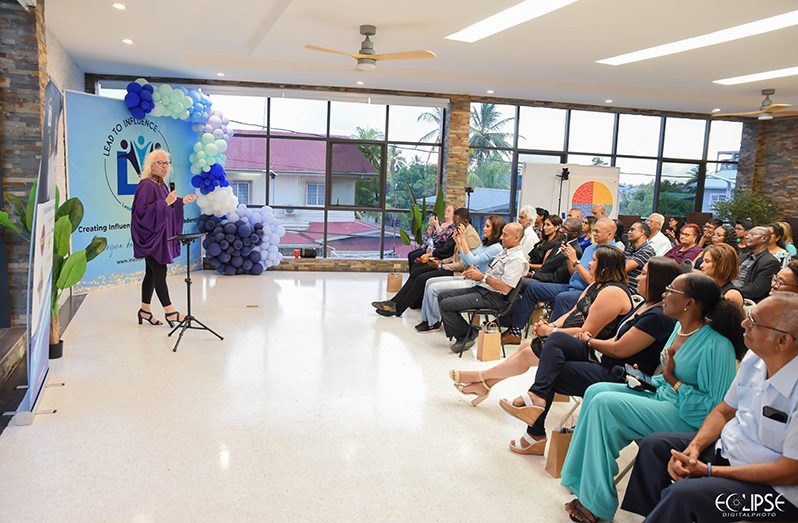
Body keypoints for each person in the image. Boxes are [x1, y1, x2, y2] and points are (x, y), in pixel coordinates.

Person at [559, 273, 746, 523]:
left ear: (689, 303)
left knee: (605, 405)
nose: (664, 294)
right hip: (664, 397)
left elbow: (715, 407)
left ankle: (597, 504)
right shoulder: (680, 328)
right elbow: (665, 376)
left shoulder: (717, 345)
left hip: (688, 418)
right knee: (595, 392)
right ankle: (583, 483)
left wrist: (673, 381)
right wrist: (645, 378)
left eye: (671, 290)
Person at [621, 293, 798, 523]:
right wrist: (693, 449)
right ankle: (657, 516)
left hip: (776, 496)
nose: (744, 323)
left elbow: (790, 471)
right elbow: (724, 411)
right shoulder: (755, 359)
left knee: (684, 496)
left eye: (753, 322)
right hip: (727, 453)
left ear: (782, 340)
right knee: (654, 447)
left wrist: (708, 471)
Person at [492, 257, 682, 455]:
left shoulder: (657, 316)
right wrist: (555, 328)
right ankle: (536, 399)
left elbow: (619, 349)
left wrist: (589, 341)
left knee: (553, 370)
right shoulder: (645, 303)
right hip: (605, 357)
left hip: (620, 373)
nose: (639, 278)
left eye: (644, 275)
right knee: (555, 342)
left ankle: (535, 432)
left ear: (657, 281)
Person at [450, 245, 634, 409]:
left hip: (593, 350)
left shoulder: (613, 293)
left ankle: (481, 377)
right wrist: (551, 324)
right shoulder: (596, 285)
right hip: (573, 340)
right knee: (525, 346)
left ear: (604, 267)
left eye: (593, 260)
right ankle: (485, 384)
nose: (588, 264)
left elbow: (587, 332)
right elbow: (572, 313)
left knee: (530, 351)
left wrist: (552, 332)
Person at [500, 218, 617, 344]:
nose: (594, 234)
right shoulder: (591, 248)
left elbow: (592, 281)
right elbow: (575, 273)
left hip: (587, 292)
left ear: (609, 234)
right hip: (571, 286)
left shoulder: (611, 254)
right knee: (533, 288)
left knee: (562, 297)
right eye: (594, 230)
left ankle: (549, 339)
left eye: (597, 231)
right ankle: (515, 331)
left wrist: (575, 261)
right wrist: (569, 259)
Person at [438, 223, 527, 353]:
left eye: (505, 235)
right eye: (502, 233)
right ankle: (467, 332)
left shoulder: (517, 259)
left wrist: (482, 277)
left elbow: (505, 287)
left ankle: (466, 335)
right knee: (442, 296)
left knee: (446, 304)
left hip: (494, 298)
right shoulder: (505, 252)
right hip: (483, 289)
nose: (501, 237)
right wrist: (477, 273)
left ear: (516, 238)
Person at [131, 149, 197, 327]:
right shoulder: (146, 185)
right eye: (160, 163)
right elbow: (141, 213)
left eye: (167, 163)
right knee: (160, 272)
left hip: (159, 236)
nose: (165, 166)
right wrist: (166, 202)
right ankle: (170, 312)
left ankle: (145, 311)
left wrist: (181, 202)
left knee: (151, 273)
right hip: (151, 237)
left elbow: (167, 206)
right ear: (151, 165)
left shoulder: (160, 184)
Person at [373, 208, 479, 317]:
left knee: (422, 278)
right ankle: (394, 302)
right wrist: (440, 262)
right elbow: (454, 256)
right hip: (450, 266)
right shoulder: (460, 231)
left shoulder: (471, 237)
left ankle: (398, 308)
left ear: (466, 222)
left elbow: (463, 265)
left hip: (459, 272)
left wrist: (442, 266)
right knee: (417, 271)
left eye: (457, 222)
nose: (454, 225)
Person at [414, 215, 505, 332]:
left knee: (433, 288)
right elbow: (468, 260)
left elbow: (473, 260)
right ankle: (427, 320)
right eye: (485, 225)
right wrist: (459, 241)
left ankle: (434, 322)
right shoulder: (485, 244)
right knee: (429, 282)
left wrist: (462, 239)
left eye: (487, 226)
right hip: (468, 277)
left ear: (496, 230)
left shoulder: (496, 248)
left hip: (476, 283)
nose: (484, 228)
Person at [734, 226, 781, 303]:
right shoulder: (742, 257)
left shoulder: (770, 262)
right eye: (747, 234)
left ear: (764, 238)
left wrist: (730, 290)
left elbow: (757, 289)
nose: (747, 237)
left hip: (747, 301)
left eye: (752, 235)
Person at [624, 221, 656, 294]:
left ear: (642, 232)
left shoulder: (647, 251)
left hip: (633, 291)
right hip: (622, 286)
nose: (628, 232)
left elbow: (622, 268)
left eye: (632, 230)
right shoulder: (629, 249)